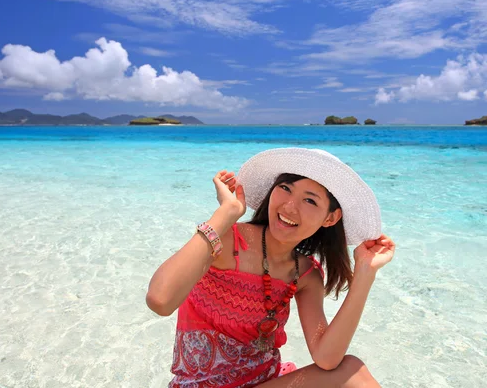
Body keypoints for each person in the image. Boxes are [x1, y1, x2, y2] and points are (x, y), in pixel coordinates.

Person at [146, 148, 396, 388]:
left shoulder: (305, 274)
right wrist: (226, 213)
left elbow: (327, 358)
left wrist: (365, 272)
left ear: (330, 218)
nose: (289, 206)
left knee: (351, 370)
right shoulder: (227, 240)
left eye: (309, 200)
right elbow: (160, 300)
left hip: (267, 380)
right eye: (285, 188)